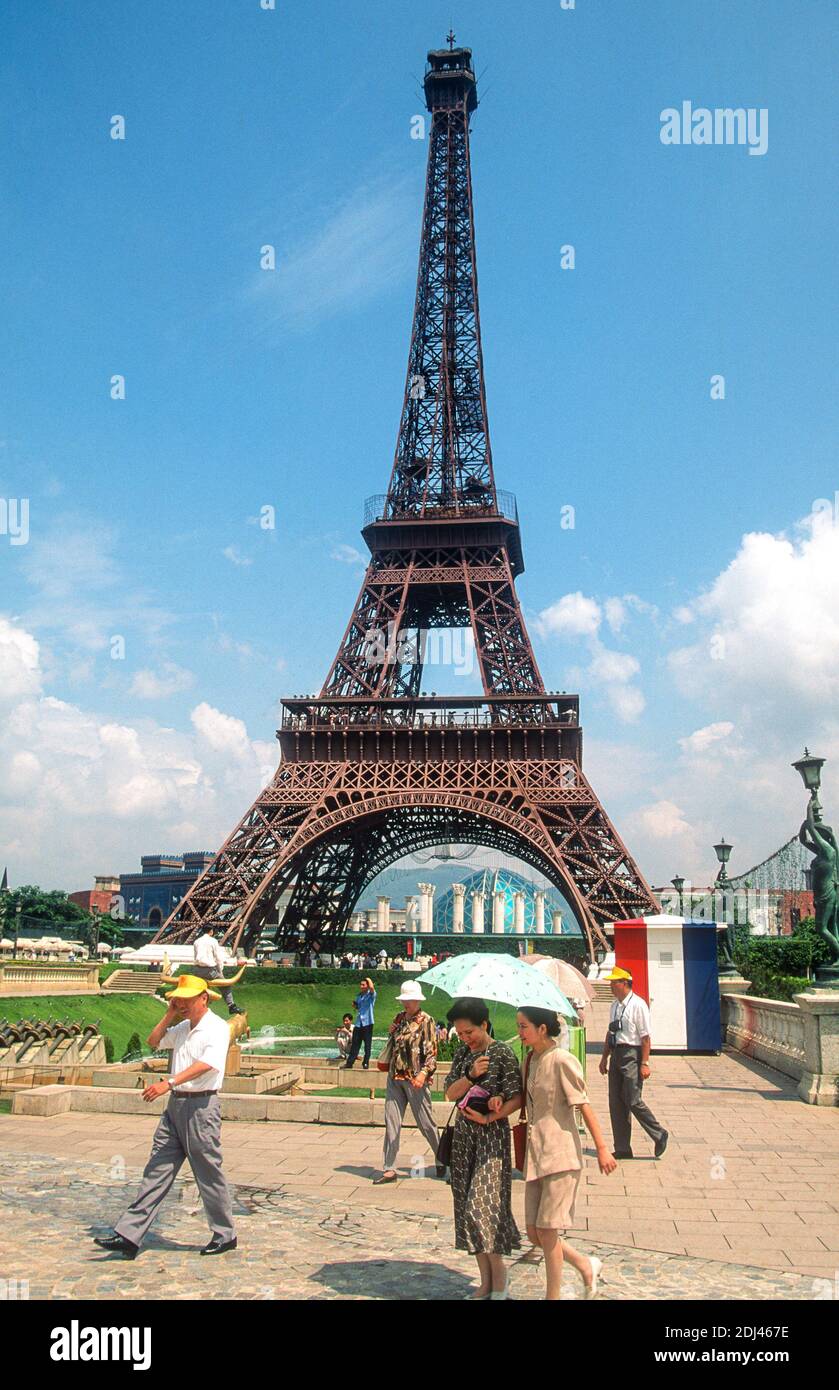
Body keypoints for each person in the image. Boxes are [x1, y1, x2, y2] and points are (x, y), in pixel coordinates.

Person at [93, 974, 236, 1260]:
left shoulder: (218, 1028)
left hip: (201, 1107)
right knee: (157, 1169)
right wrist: (169, 1013)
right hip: (175, 1107)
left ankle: (225, 1234)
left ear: (204, 998)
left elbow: (207, 1065)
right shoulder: (182, 1026)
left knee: (208, 1174)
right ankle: (129, 1235)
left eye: (186, 999)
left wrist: (167, 1083)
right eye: (178, 999)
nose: (181, 1003)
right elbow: (153, 1041)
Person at [517, 1005, 615, 1300]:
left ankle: (553, 1296)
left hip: (561, 1154)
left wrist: (601, 1149)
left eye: (523, 1026)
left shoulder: (562, 1060)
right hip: (534, 1155)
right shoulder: (531, 1060)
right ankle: (586, 1265)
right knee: (535, 1233)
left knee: (547, 1231)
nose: (519, 1032)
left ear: (542, 1029)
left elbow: (583, 1105)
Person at [445, 997, 523, 1300]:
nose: (465, 1038)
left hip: (491, 1138)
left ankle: (500, 1281)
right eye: (460, 1033)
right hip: (464, 1140)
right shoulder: (464, 1054)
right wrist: (470, 1076)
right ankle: (485, 1282)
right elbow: (449, 1092)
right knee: (466, 1208)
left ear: (484, 1025)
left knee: (483, 1208)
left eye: (469, 1032)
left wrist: (494, 1110)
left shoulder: (502, 1053)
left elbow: (516, 1097)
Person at [374, 981, 440, 1184]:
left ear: (417, 1000)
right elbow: (394, 1045)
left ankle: (443, 1158)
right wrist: (392, 1031)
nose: (406, 1004)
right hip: (395, 1077)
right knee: (391, 1122)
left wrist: (424, 1073)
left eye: (409, 1000)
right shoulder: (399, 1019)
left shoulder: (426, 1021)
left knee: (426, 1123)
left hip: (415, 1079)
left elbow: (432, 1052)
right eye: (404, 1000)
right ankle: (389, 1168)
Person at [599, 967, 668, 1160]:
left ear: (625, 983)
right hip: (616, 1054)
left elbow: (645, 1037)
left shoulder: (638, 1005)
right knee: (616, 1102)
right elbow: (610, 1033)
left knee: (632, 1098)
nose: (611, 986)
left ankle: (658, 1133)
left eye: (614, 983)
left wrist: (644, 1063)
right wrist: (604, 1058)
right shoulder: (614, 1006)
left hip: (632, 1053)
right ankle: (622, 1147)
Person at [193, 926, 243, 1015]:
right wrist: (220, 972)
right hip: (210, 971)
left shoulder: (197, 941)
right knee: (225, 986)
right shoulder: (213, 941)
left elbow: (195, 956)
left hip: (197, 971)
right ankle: (231, 1006)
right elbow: (218, 958)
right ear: (211, 931)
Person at [342, 976, 376, 1070]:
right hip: (359, 1023)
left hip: (368, 1023)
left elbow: (372, 988)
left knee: (367, 1045)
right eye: (360, 984)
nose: (361, 986)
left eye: (363, 984)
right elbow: (358, 1007)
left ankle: (365, 1063)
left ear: (367, 985)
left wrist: (368, 978)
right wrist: (355, 1005)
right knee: (355, 1044)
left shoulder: (371, 995)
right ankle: (349, 1063)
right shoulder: (359, 996)